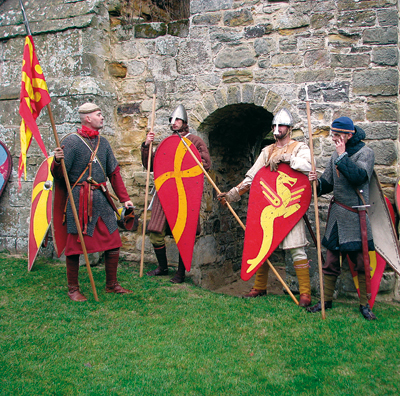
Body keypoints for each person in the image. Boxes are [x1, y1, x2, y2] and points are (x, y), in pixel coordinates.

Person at [218, 108, 312, 307]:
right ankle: (260, 286)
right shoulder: (267, 151)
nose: (278, 129)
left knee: (297, 249)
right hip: (269, 206)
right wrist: (232, 194)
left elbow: (308, 167)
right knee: (263, 246)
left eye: (282, 125)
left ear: (290, 128)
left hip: (291, 208)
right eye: (275, 126)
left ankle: (305, 293)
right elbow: (252, 177)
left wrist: (287, 159)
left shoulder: (299, 148)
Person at [51, 102, 134, 301]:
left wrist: (125, 199)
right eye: (98, 114)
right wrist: (56, 161)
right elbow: (60, 176)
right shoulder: (71, 142)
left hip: (101, 198)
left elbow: (114, 173)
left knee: (114, 241)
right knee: (75, 245)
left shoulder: (103, 143)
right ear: (87, 118)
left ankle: (111, 284)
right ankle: (73, 289)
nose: (102, 117)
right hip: (79, 201)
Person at [308, 117, 377, 320]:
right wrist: (317, 183)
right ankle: (326, 300)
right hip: (337, 215)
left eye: (338, 136)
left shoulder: (366, 153)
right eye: (333, 135)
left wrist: (341, 156)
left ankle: (365, 305)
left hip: (356, 217)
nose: (334, 139)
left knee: (361, 263)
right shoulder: (334, 154)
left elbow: (358, 177)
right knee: (330, 262)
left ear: (349, 135)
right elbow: (328, 183)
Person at [141, 104, 211, 283]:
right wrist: (147, 146)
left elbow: (205, 163)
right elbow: (151, 165)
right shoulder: (167, 142)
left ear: (185, 122)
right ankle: (162, 267)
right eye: (172, 120)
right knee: (156, 232)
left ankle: (180, 272)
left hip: (184, 195)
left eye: (178, 120)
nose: (174, 123)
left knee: (184, 233)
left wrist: (191, 162)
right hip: (164, 193)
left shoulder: (195, 141)